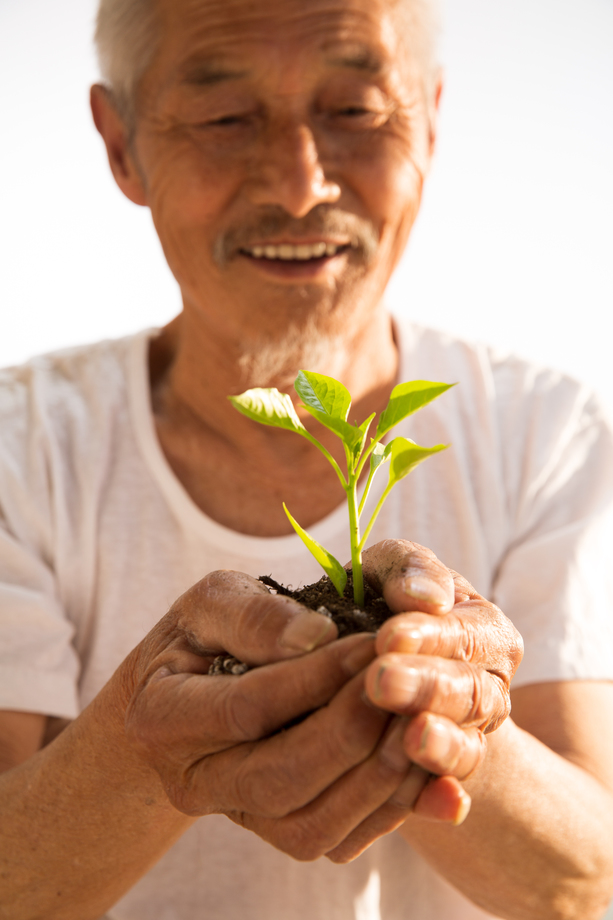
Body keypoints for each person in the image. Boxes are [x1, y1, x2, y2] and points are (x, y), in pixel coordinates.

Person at [1, 0, 613, 917]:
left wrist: (447, 716)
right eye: (223, 119)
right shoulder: (22, 448)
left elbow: (586, 879)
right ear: (121, 144)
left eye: (356, 111)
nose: (298, 185)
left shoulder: (548, 432)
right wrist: (145, 747)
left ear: (430, 122)